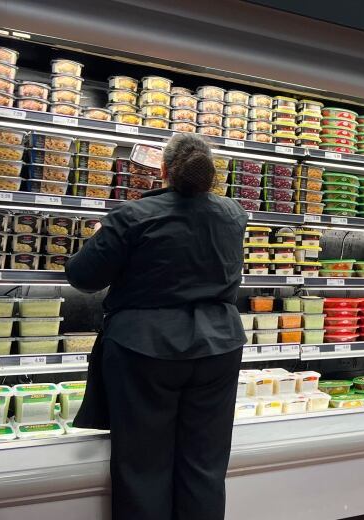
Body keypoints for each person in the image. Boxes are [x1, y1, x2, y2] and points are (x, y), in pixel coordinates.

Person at [66, 133, 248, 520]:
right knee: (205, 466)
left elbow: (83, 277)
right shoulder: (233, 214)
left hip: (144, 350)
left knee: (143, 468)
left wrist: (99, 237)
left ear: (163, 170)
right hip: (218, 347)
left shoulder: (132, 216)